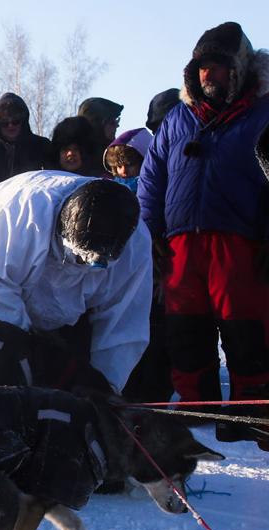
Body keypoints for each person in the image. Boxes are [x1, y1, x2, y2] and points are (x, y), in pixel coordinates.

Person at [138, 21, 269, 445]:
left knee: (246, 327)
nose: (207, 75)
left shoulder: (264, 115)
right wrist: (148, 233)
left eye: (217, 66)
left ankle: (252, 409)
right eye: (201, 67)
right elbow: (152, 180)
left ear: (239, 69)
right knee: (185, 328)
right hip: (178, 245)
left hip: (242, 240)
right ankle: (197, 403)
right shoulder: (178, 119)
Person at [0, 170, 153, 391]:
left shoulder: (135, 246)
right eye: (78, 257)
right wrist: (30, 351)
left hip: (64, 310)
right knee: (2, 364)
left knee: (72, 373)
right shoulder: (24, 212)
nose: (84, 265)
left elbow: (125, 323)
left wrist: (105, 386)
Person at [103, 129, 172, 403]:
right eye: (116, 165)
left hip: (154, 274)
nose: (122, 171)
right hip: (120, 275)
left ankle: (155, 393)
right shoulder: (107, 191)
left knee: (155, 335)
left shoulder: (157, 189)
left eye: (128, 163)